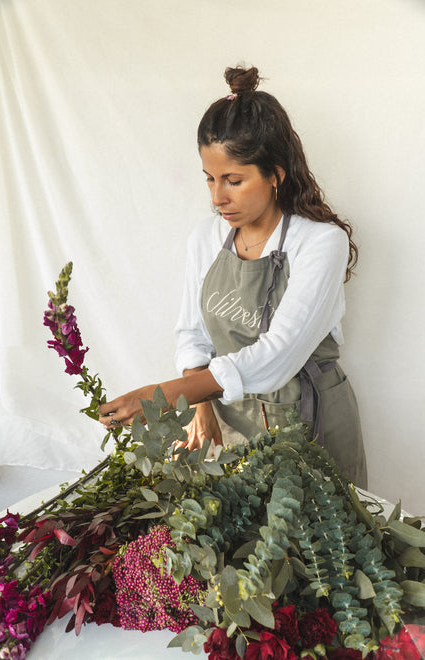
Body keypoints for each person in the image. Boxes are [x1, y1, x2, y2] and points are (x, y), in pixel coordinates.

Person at [99, 65, 367, 488]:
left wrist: (164, 397)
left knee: (320, 549)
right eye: (209, 179)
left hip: (311, 423)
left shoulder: (319, 243)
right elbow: (192, 335)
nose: (217, 197)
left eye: (233, 180)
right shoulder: (206, 238)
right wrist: (199, 406)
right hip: (232, 419)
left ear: (275, 174)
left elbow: (278, 357)